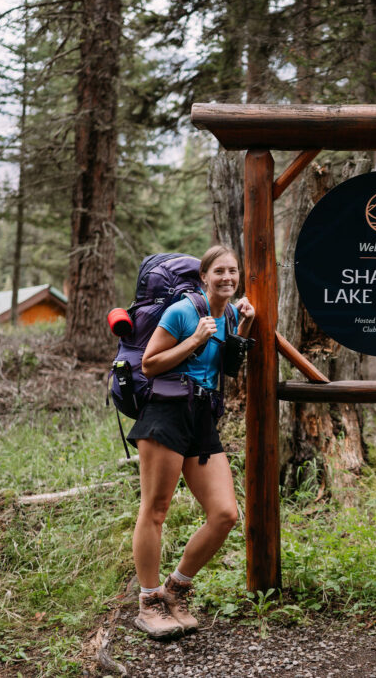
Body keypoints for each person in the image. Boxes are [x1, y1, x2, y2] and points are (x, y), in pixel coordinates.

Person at [127, 244, 255, 640]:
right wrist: (195, 339)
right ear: (204, 276)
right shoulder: (183, 311)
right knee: (156, 509)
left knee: (225, 514)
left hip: (202, 418)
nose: (228, 278)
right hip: (165, 413)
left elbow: (229, 369)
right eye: (219, 271)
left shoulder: (231, 313)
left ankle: (176, 589)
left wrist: (244, 327)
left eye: (233, 271)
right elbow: (149, 363)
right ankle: (148, 602)